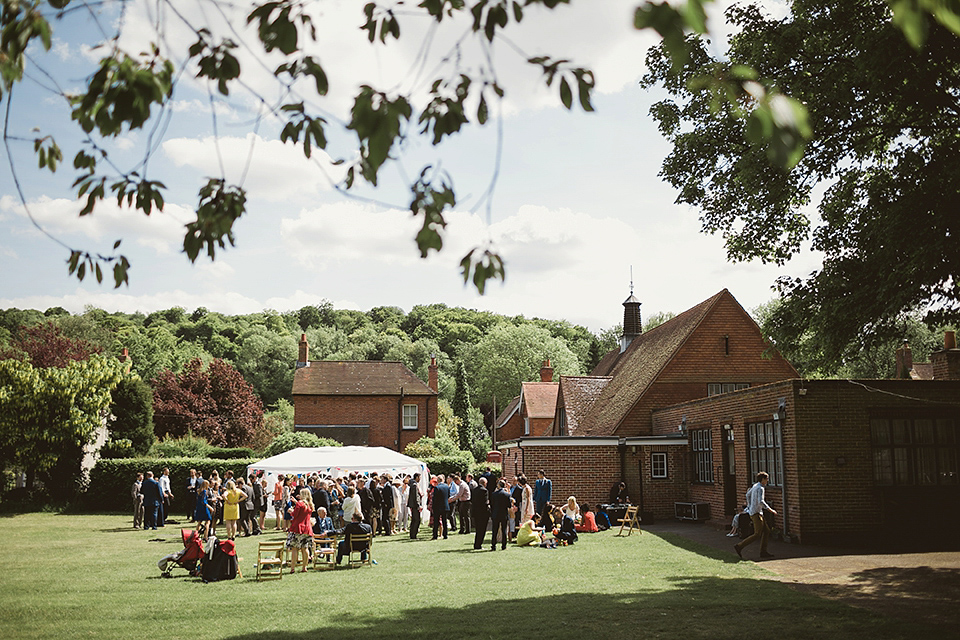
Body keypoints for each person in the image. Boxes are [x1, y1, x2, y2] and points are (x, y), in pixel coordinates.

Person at [734, 471, 778, 560]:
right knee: (757, 534)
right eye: (767, 479)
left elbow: (747, 495)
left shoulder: (755, 486)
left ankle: (763, 551)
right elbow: (761, 501)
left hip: (755, 511)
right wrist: (770, 509)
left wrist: (749, 506)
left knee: (766, 531)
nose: (768, 481)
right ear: (763, 479)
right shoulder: (760, 488)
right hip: (756, 513)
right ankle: (739, 546)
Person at [286, 488, 315, 573]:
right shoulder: (310, 505)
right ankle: (304, 567)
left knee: (295, 548)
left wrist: (291, 511)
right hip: (307, 528)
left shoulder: (300, 503)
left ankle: (292, 568)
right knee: (305, 548)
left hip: (298, 528)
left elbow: (295, 514)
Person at [489, 479, 511, 551]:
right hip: (504, 514)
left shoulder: (493, 494)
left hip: (495, 514)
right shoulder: (507, 495)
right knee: (504, 530)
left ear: (498, 485)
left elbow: (491, 504)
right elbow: (509, 505)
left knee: (494, 530)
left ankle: (493, 545)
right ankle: (503, 546)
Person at [472, 476, 490, 550]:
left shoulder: (474, 490)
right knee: (482, 529)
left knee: (478, 529)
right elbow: (485, 502)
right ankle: (479, 544)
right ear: (484, 483)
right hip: (482, 513)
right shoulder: (484, 491)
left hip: (476, 512)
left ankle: (476, 544)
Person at [432, 476, 450, 540]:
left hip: (438, 507)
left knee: (436, 522)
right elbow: (448, 495)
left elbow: (435, 498)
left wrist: (433, 506)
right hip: (445, 506)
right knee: (444, 521)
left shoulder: (437, 488)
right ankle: (445, 535)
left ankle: (435, 535)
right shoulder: (447, 487)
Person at [408, 473, 422, 539]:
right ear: (416, 477)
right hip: (415, 505)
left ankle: (412, 534)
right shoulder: (414, 485)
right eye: (419, 477)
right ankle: (413, 535)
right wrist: (418, 505)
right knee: (416, 520)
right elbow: (416, 496)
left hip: (413, 505)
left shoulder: (413, 484)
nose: (420, 479)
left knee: (414, 520)